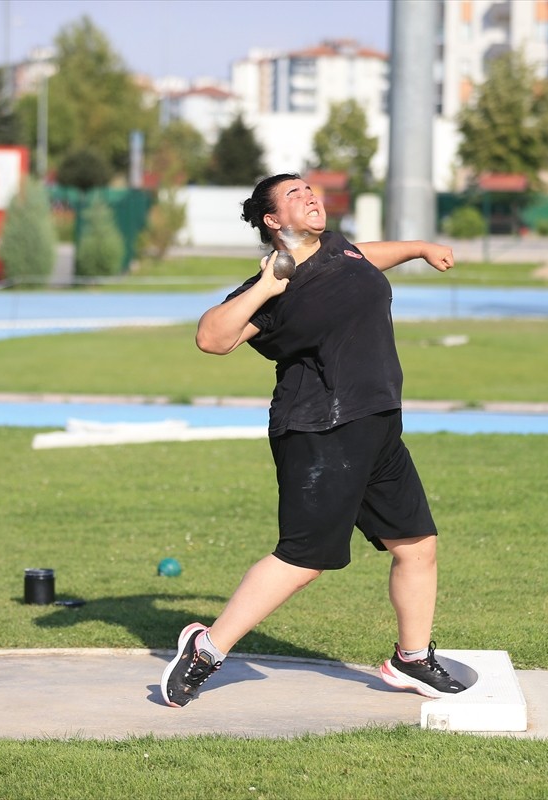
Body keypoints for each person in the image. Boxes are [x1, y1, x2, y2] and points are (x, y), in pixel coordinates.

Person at [160, 173, 465, 708]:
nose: (309, 197)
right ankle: (206, 649)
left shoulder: (339, 250)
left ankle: (411, 658)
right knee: (304, 558)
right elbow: (211, 338)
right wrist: (266, 287)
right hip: (321, 430)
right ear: (273, 220)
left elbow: (366, 257)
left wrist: (418, 247)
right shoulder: (275, 283)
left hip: (376, 423)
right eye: (294, 195)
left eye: (309, 189)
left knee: (417, 544)